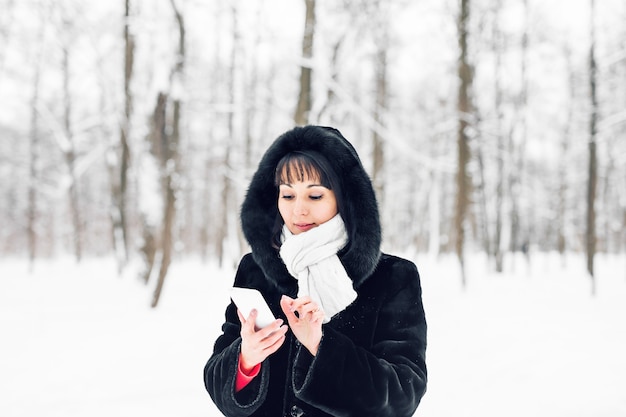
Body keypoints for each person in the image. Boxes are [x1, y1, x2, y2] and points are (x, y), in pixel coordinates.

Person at [204, 125, 427, 417]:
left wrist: (321, 346)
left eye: (315, 196)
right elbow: (216, 376)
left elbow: (402, 396)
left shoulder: (393, 277)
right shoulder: (256, 271)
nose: (299, 210)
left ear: (345, 198)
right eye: (288, 195)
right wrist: (246, 361)